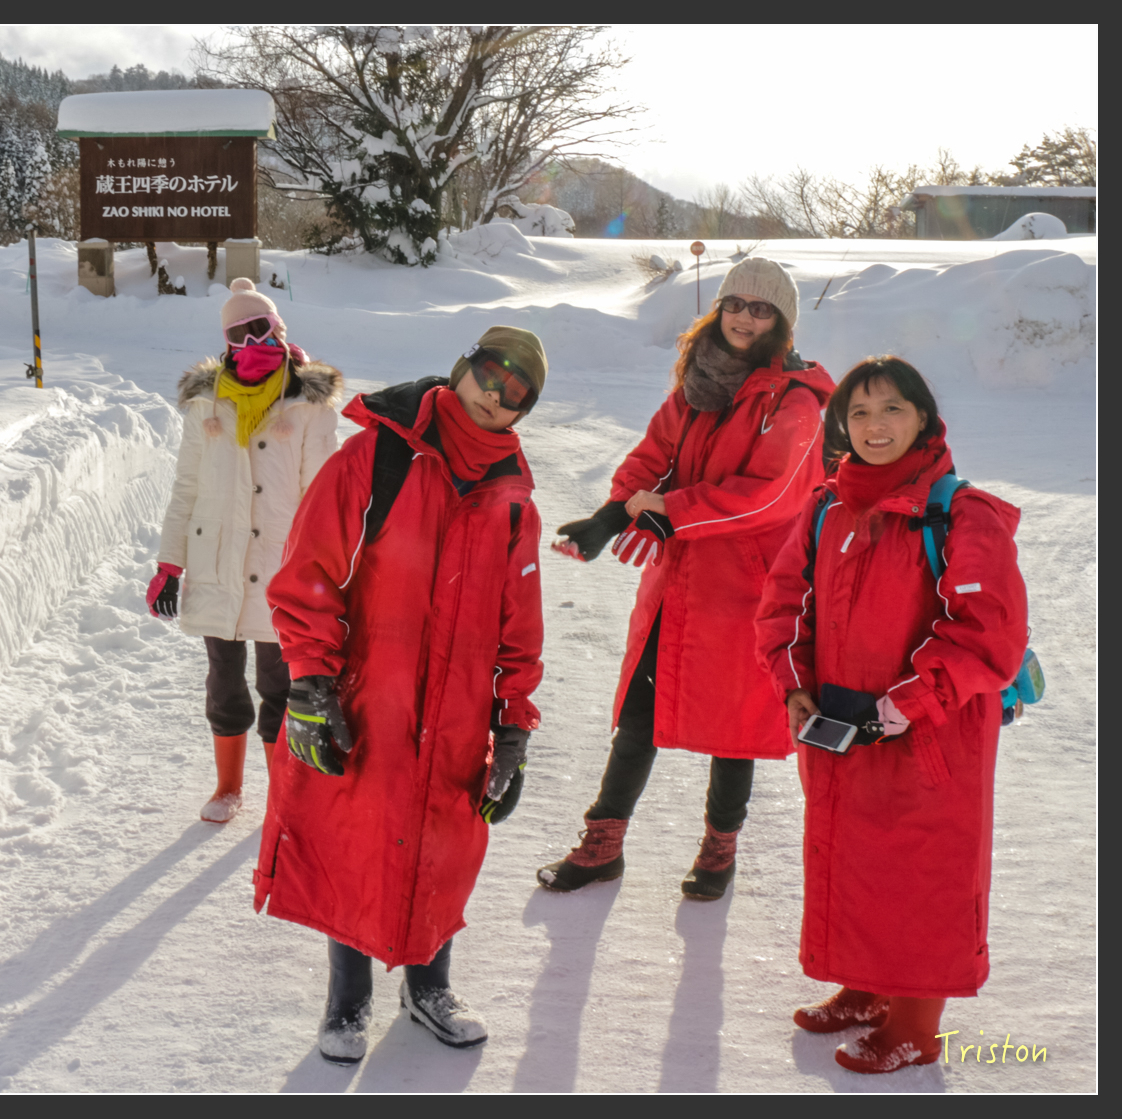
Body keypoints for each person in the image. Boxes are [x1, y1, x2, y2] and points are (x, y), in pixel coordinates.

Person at [255, 327, 546, 1064]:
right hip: (369, 698)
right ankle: (346, 1001)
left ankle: (429, 987)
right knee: (357, 839)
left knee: (444, 845)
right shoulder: (375, 456)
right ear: (463, 369)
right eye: (489, 373)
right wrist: (313, 683)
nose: (495, 394)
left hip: (456, 715)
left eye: (517, 392)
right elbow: (308, 574)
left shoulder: (514, 504)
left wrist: (512, 723)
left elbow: (520, 625)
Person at [755, 357, 1027, 1074]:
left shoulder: (961, 513)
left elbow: (987, 632)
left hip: (930, 738)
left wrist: (906, 703)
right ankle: (868, 985)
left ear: (925, 419)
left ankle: (916, 1024)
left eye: (892, 410)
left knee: (922, 873)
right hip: (844, 733)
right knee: (856, 859)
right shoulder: (825, 508)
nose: (875, 426)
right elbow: (782, 607)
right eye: (860, 413)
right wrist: (793, 688)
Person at [539, 257, 834, 899]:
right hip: (679, 581)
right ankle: (603, 843)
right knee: (640, 716)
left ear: (781, 323)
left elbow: (771, 496)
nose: (744, 318)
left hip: (746, 590)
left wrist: (672, 512)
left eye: (761, 309)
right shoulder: (699, 384)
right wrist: (612, 515)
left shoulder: (796, 401)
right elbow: (653, 455)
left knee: (735, 729)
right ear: (717, 310)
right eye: (735, 304)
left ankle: (719, 849)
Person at [150, 277, 342, 824]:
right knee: (223, 682)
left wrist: (326, 573)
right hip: (217, 563)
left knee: (280, 686)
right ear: (226, 343)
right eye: (239, 333)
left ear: (279, 331)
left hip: (283, 568)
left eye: (261, 328)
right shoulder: (206, 404)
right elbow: (186, 488)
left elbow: (323, 495)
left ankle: (285, 795)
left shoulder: (309, 406)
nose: (252, 342)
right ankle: (228, 788)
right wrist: (170, 563)